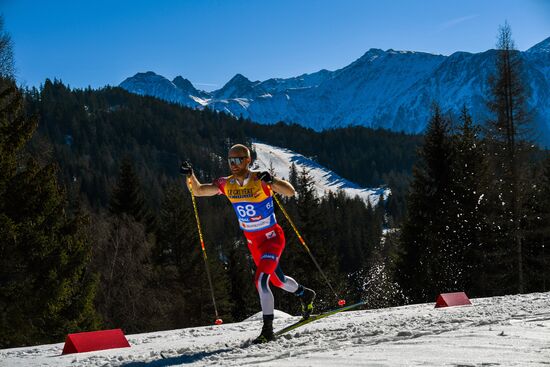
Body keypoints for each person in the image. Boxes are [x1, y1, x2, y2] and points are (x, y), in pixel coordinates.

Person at [180, 144, 315, 343]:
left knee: (261, 280)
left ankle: (267, 330)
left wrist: (273, 180)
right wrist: (190, 175)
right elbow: (198, 191)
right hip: (254, 243)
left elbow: (290, 192)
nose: (233, 164)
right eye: (230, 160)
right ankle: (305, 294)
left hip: (272, 238)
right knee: (278, 280)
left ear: (247, 160)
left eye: (238, 160)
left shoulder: (259, 179)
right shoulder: (226, 184)